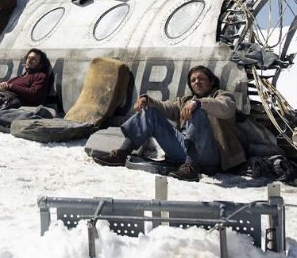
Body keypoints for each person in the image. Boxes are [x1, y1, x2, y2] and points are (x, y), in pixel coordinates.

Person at [91, 65, 246, 181]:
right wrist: (147, 100)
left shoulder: (223, 96)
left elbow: (225, 107)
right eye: (193, 80)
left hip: (212, 154)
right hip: (183, 150)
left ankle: (191, 168)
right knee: (150, 111)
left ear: (211, 81)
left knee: (197, 111)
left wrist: (198, 104)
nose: (197, 82)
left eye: (201, 79)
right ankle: (121, 154)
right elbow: (166, 107)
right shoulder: (185, 101)